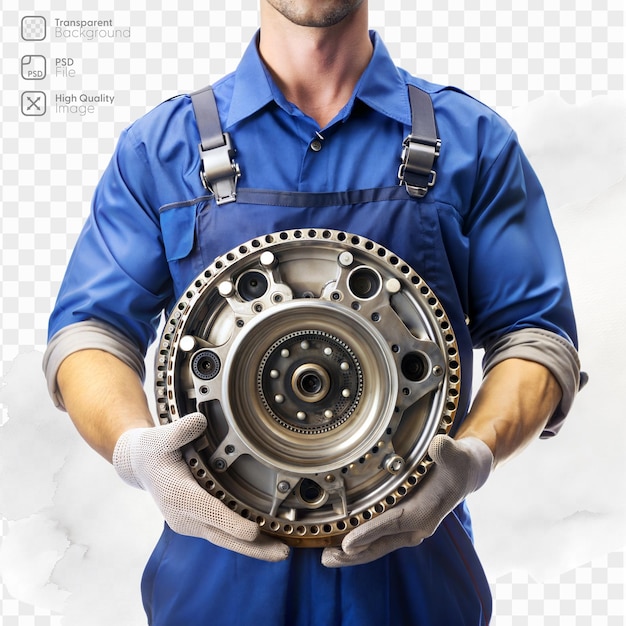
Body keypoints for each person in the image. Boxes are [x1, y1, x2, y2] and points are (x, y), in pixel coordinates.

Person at [44, 1, 582, 624]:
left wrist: (471, 459)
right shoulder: (159, 151)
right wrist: (137, 452)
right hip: (218, 593)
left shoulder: (474, 143)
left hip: (415, 589)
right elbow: (91, 334)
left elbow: (536, 339)